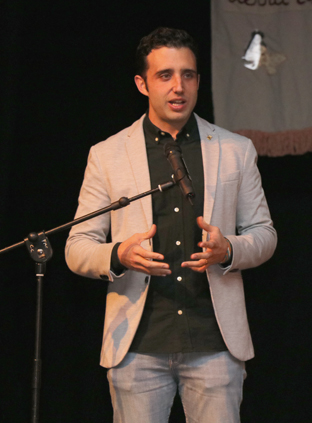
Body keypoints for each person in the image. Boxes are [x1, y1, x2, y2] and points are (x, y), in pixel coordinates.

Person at [65, 27, 277, 423]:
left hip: (215, 344)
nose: (178, 87)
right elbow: (77, 246)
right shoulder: (108, 154)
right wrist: (119, 254)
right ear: (142, 84)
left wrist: (229, 249)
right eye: (165, 75)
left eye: (188, 75)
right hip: (137, 346)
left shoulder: (235, 150)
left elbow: (264, 234)